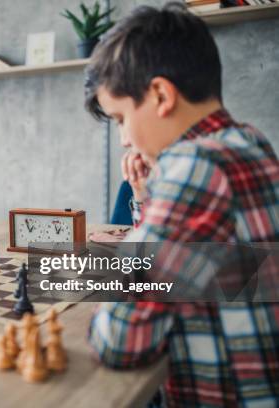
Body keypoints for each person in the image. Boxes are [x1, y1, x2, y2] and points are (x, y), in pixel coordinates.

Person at [83, 3, 279, 407]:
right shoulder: (249, 141)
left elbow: (119, 340)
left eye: (121, 118)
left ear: (160, 94)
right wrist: (148, 195)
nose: (123, 139)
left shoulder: (196, 165)